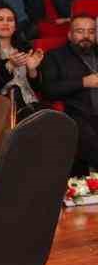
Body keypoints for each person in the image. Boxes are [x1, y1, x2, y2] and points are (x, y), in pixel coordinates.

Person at [36, 14, 98, 174]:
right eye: (80, 31)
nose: (86, 36)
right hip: (78, 114)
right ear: (70, 34)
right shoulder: (55, 56)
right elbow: (48, 90)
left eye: (91, 32)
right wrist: (83, 82)